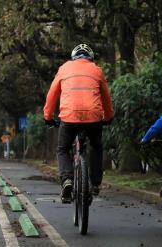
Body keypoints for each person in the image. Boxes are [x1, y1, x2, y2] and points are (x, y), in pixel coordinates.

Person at [43, 44, 114, 203]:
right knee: (96, 146)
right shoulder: (97, 70)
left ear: (74, 57)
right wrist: (108, 117)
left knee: (63, 149)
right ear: (91, 58)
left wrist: (47, 116)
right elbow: (106, 97)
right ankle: (95, 183)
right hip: (93, 117)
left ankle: (67, 180)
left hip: (69, 116)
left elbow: (52, 94)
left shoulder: (64, 68)